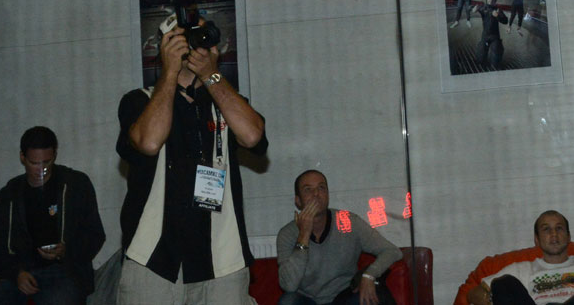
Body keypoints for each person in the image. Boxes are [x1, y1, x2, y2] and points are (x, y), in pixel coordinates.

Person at [116, 16, 268, 304]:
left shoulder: (226, 100)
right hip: (154, 260)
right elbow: (148, 142)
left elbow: (252, 136)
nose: (195, 43)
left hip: (222, 259)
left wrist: (212, 75)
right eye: (184, 36)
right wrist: (170, 72)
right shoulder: (140, 101)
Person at [0, 126, 105, 305]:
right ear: (22, 157)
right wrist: (16, 273)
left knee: (59, 299)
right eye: (34, 163)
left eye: (47, 162)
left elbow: (95, 234)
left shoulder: (76, 185)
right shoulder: (9, 195)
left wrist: (67, 250)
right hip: (21, 273)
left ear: (55, 156)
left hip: (66, 273)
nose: (41, 169)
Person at [456, 210, 574, 305]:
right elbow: (472, 294)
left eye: (559, 229)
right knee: (503, 283)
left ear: (568, 236)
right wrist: (488, 298)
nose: (554, 235)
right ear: (537, 239)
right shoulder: (520, 269)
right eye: (546, 230)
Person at [276, 169, 402, 305]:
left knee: (368, 299)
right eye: (308, 190)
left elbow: (392, 251)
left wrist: (369, 275)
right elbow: (289, 285)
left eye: (321, 188)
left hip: (344, 296)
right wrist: (304, 235)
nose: (316, 194)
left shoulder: (348, 222)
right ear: (298, 201)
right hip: (306, 299)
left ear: (328, 195)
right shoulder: (286, 234)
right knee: (287, 302)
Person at [474, 0, 509, 69]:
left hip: (495, 36)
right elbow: (473, 8)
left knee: (496, 59)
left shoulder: (498, 9)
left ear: (495, 1)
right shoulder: (483, 8)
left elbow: (505, 21)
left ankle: (495, 66)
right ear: (487, 0)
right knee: (480, 58)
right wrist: (473, 9)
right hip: (485, 36)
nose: (490, 0)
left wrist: (498, 16)